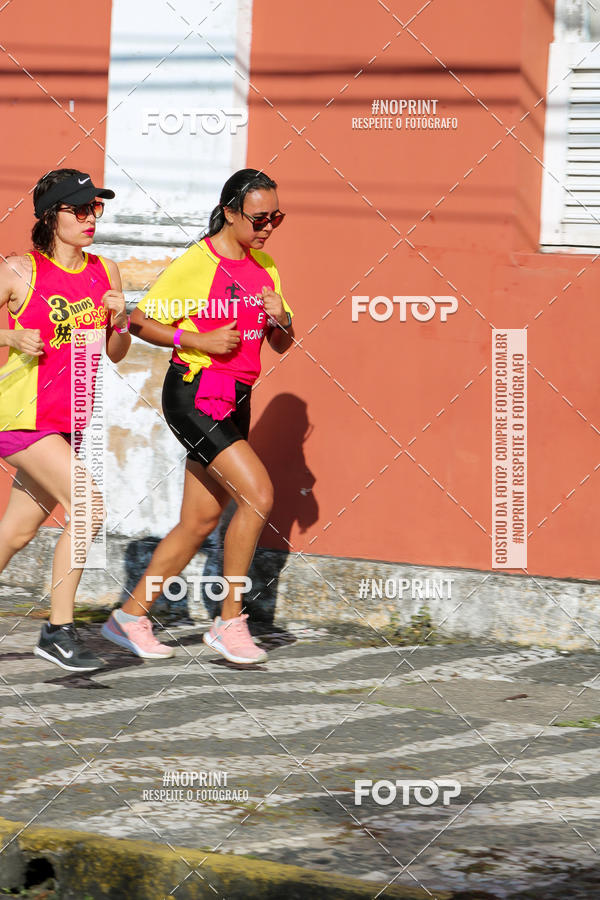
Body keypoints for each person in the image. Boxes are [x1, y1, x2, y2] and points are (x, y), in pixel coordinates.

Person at [101, 168, 294, 664]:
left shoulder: (266, 265)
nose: (268, 226)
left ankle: (128, 617)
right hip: (194, 393)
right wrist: (198, 340)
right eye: (258, 218)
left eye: (276, 217)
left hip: (238, 396)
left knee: (201, 518)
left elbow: (280, 342)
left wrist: (283, 319)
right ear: (229, 212)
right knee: (259, 495)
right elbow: (140, 320)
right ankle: (229, 622)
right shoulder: (198, 263)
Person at [0, 168, 131, 671]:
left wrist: (120, 320)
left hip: (67, 420)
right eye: (78, 208)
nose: (90, 217)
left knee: (16, 532)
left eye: (95, 207)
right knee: (90, 506)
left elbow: (116, 353)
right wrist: (10, 337)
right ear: (50, 216)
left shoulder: (107, 271)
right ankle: (57, 631)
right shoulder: (19, 271)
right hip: (20, 414)